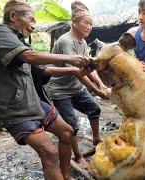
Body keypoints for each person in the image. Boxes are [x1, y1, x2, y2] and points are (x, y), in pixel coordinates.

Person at [0, 1, 90, 179]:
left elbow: (45, 70)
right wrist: (71, 58)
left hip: (31, 103)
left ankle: (66, 176)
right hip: (12, 109)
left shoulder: (18, 42)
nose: (34, 25)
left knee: (67, 132)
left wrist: (74, 69)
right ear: (13, 16)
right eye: (31, 19)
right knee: (49, 151)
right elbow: (28, 56)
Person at [46, 1, 106, 170]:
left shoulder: (83, 43)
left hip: (75, 88)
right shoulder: (66, 41)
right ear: (74, 23)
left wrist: (101, 85)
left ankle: (96, 139)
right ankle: (78, 156)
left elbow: (88, 68)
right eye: (86, 23)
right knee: (71, 126)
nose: (89, 27)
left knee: (95, 109)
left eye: (91, 24)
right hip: (60, 91)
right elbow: (76, 72)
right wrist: (95, 90)